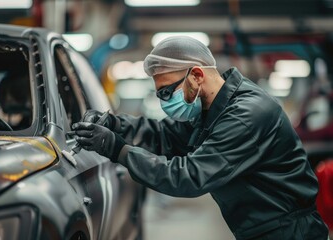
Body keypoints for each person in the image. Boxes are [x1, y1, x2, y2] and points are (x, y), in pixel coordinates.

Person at [72, 36, 329, 239]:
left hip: (290, 233)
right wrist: (116, 124)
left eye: (166, 92)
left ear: (196, 75)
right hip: (261, 229)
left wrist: (116, 148)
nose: (164, 102)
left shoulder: (245, 115)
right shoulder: (212, 110)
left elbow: (188, 177)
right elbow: (167, 136)